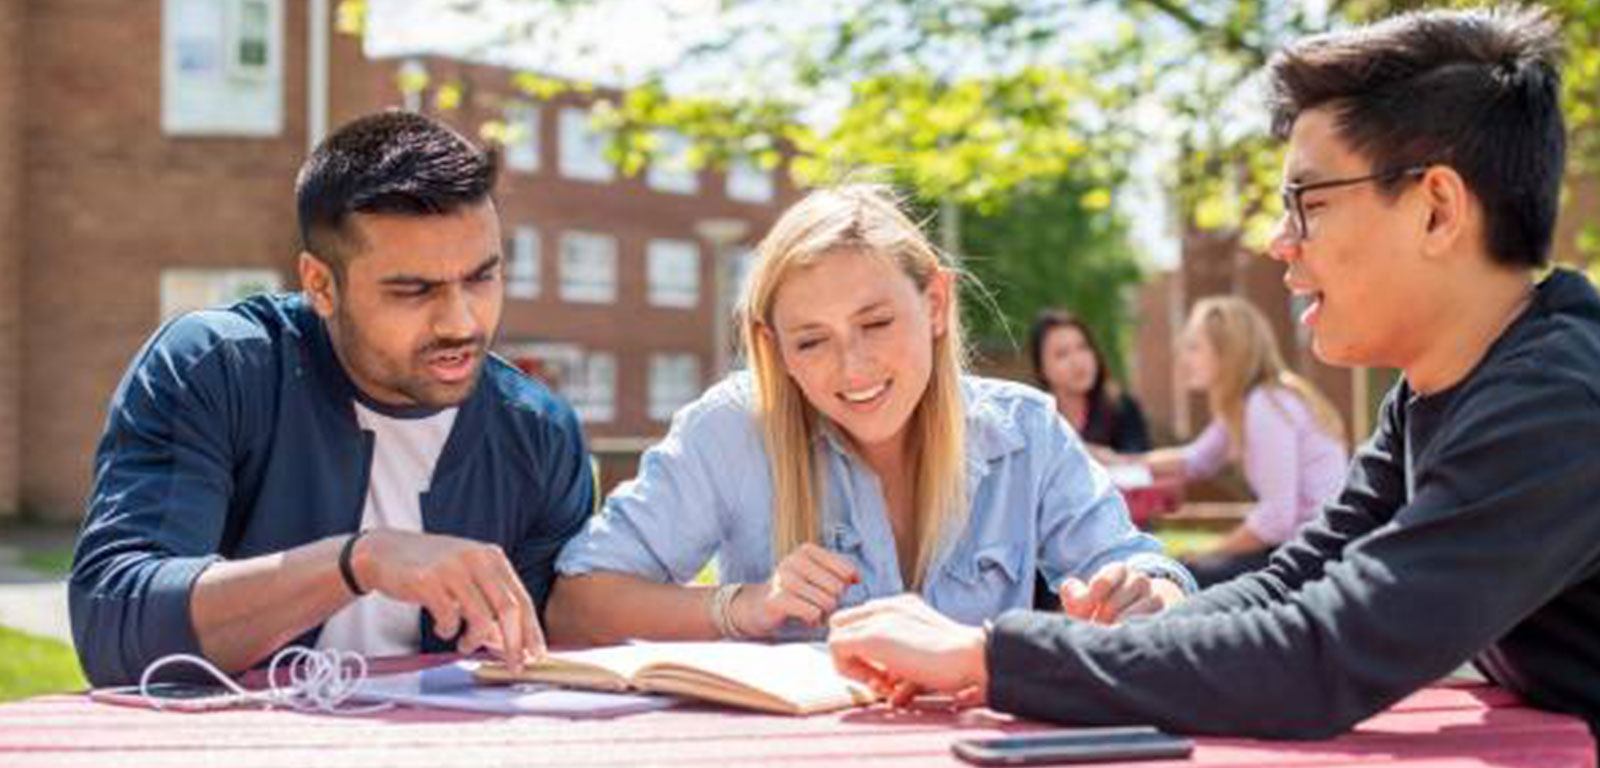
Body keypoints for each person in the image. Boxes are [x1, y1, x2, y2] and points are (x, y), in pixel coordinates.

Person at [828, 6, 1600, 737]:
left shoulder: (1559, 404)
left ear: (1436, 209)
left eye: (1307, 201)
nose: (1278, 240)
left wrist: (991, 658)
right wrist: (1039, 650)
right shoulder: (1441, 392)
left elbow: (1316, 660)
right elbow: (1289, 583)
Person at [70, 111, 594, 686]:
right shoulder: (216, 367)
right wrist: (359, 562)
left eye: (481, 278)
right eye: (413, 290)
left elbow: (546, 661)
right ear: (320, 284)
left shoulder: (540, 432)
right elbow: (114, 625)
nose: (460, 321)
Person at [546, 185, 1193, 646]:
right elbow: (576, 607)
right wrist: (741, 607)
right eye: (811, 341)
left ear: (936, 303)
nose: (852, 369)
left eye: (876, 323)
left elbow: (1153, 576)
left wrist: (1141, 594)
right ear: (774, 348)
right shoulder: (732, 430)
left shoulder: (1025, 432)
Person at [1131, 296, 1347, 586]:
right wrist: (1113, 460)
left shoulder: (1266, 406)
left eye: (1194, 347)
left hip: (1316, 560)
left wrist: (1211, 552)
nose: (1183, 357)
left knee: (1176, 579)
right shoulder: (1248, 403)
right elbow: (1195, 460)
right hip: (1307, 548)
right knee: (1175, 574)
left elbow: (1276, 519)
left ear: (1227, 355)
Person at [1028, 310, 1151, 454]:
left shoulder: (1121, 407)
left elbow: (1140, 462)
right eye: (1062, 354)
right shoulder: (1034, 419)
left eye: (1083, 347)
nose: (1077, 361)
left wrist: (1106, 458)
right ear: (1041, 369)